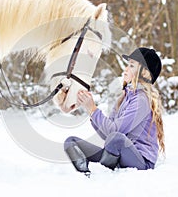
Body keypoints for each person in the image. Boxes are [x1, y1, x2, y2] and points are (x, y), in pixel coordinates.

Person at [64, 47, 165, 176]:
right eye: (127, 65)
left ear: (144, 73)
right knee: (71, 142)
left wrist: (93, 109)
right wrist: (90, 111)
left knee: (116, 138)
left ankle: (104, 175)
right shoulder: (124, 98)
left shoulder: (141, 100)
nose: (126, 69)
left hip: (141, 161)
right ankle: (86, 174)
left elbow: (114, 134)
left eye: (131, 66)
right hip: (119, 153)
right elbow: (108, 134)